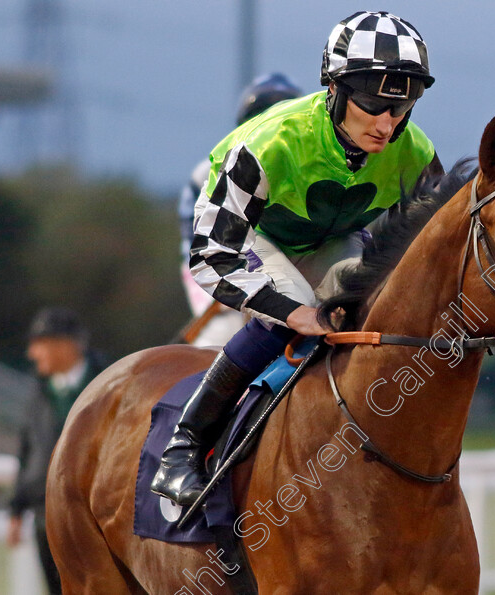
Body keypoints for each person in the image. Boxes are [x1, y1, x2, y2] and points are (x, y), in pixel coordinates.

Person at [152, 10, 443, 506]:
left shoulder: (416, 153)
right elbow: (209, 252)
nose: (386, 125)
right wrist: (293, 311)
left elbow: (422, 248)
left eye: (401, 108)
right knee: (294, 316)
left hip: (329, 240)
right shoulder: (270, 143)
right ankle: (183, 447)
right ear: (334, 88)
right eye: (373, 105)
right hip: (248, 239)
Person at [179, 73, 303, 346]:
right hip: (225, 278)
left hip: (296, 277)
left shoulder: (306, 171)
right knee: (216, 342)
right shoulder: (205, 174)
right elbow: (194, 247)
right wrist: (225, 294)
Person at [7, 307, 106, 594]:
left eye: (39, 344)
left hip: (94, 513)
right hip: (46, 514)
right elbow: (27, 451)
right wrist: (16, 509)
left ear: (64, 344)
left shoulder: (108, 382)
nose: (32, 354)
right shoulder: (38, 393)